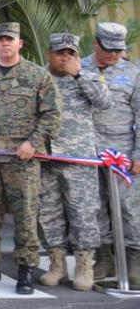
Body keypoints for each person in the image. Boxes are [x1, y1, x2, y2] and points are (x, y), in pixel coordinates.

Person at [0, 22, 61, 295]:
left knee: (25, 218)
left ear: (20, 43)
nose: (5, 44)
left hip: (22, 159)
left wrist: (32, 143)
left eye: (10, 40)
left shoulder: (38, 76)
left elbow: (52, 115)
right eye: (0, 40)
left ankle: (26, 270)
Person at [39, 33, 110, 291]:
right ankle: (56, 265)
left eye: (70, 53)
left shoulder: (88, 76)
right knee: (48, 214)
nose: (65, 58)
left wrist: (78, 74)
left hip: (79, 158)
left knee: (82, 213)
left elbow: (104, 102)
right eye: (60, 53)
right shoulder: (40, 77)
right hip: (46, 157)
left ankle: (84, 266)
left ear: (78, 56)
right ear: (50, 53)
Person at [81, 22, 140, 284]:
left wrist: (139, 153)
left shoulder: (134, 73)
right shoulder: (79, 68)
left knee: (129, 208)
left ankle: (133, 259)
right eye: (109, 50)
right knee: (95, 208)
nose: (114, 55)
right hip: (86, 149)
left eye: (118, 50)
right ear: (96, 43)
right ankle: (104, 258)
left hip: (122, 152)